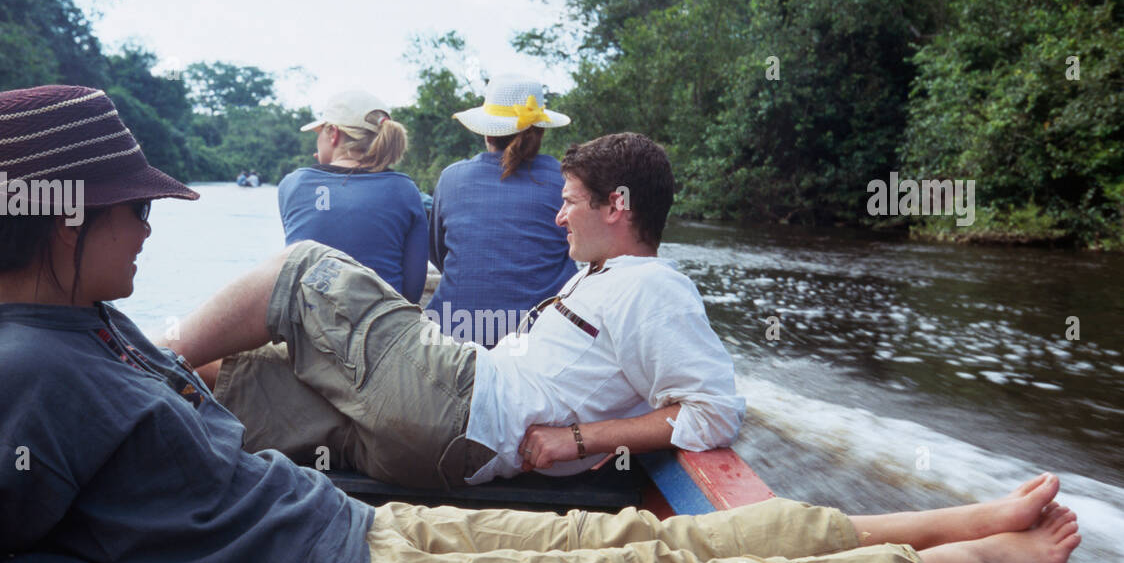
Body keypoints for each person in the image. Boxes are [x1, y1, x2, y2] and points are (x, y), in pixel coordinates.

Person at [0, 84, 1081, 563]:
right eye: (132, 211)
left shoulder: (98, 336)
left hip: (362, 541)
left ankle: (924, 535)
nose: (148, 229)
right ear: (66, 224)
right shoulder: (12, 380)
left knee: (651, 549)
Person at [176, 132, 746, 489]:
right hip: (434, 446)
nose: (559, 217)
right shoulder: (600, 277)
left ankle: (139, 353)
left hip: (461, 400)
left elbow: (715, 410)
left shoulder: (653, 287)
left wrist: (582, 439)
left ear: (616, 205)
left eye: (569, 202)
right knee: (248, 373)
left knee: (303, 268)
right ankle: (126, 381)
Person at [428, 74, 579, 348]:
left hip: (453, 334)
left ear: (487, 132)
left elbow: (439, 254)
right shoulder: (566, 181)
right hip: (538, 339)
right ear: (540, 131)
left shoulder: (451, 178)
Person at [277, 89, 427, 302]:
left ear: (333, 133)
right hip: (382, 325)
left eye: (319, 132)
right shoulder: (405, 190)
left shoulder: (293, 184)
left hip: (307, 326)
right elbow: (412, 292)